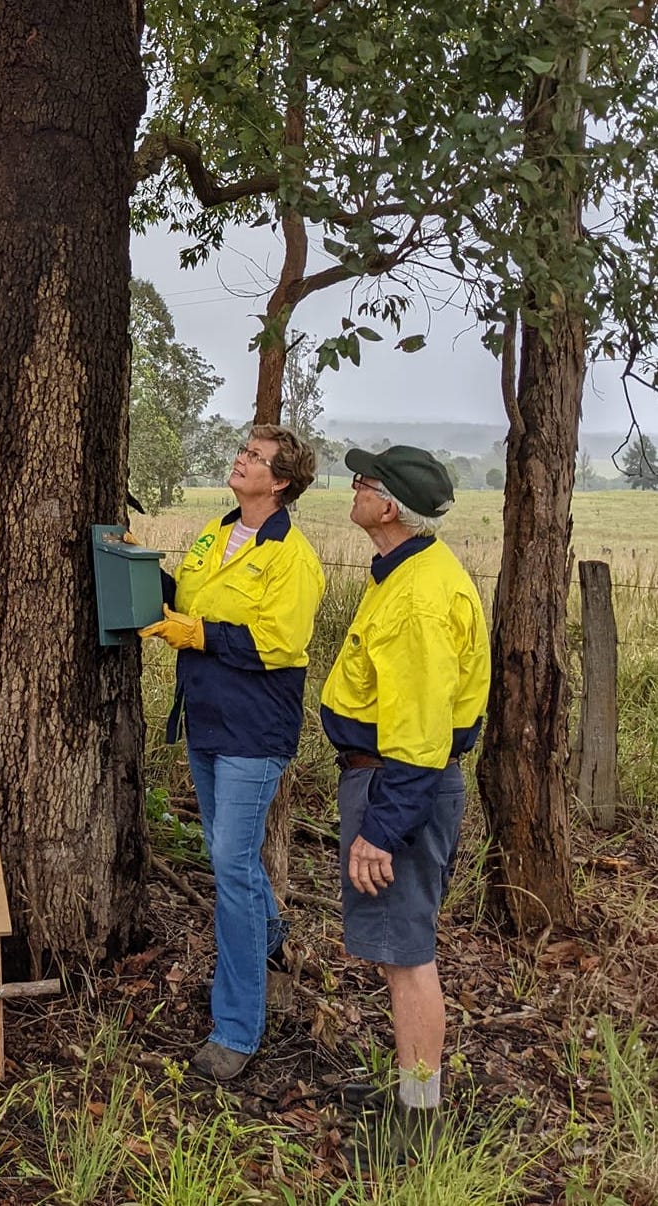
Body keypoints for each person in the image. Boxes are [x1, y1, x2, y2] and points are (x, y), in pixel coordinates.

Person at [320, 445, 489, 1156]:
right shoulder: (407, 571)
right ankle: (411, 1091)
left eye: (362, 482)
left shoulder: (418, 598)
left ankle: (420, 1121)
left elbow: (420, 736)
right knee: (398, 950)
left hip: (399, 782)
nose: (352, 489)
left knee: (409, 953)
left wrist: (380, 831)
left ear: (387, 507)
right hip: (392, 776)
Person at [144, 424, 324, 1082]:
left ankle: (237, 1029)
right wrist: (143, 571)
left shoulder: (292, 556)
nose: (241, 460)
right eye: (244, 452)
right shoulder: (216, 535)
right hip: (208, 721)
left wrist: (194, 633)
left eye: (255, 457)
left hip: (255, 727)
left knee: (230, 865)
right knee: (232, 857)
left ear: (279, 482)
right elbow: (188, 601)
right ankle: (268, 939)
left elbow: (276, 642)